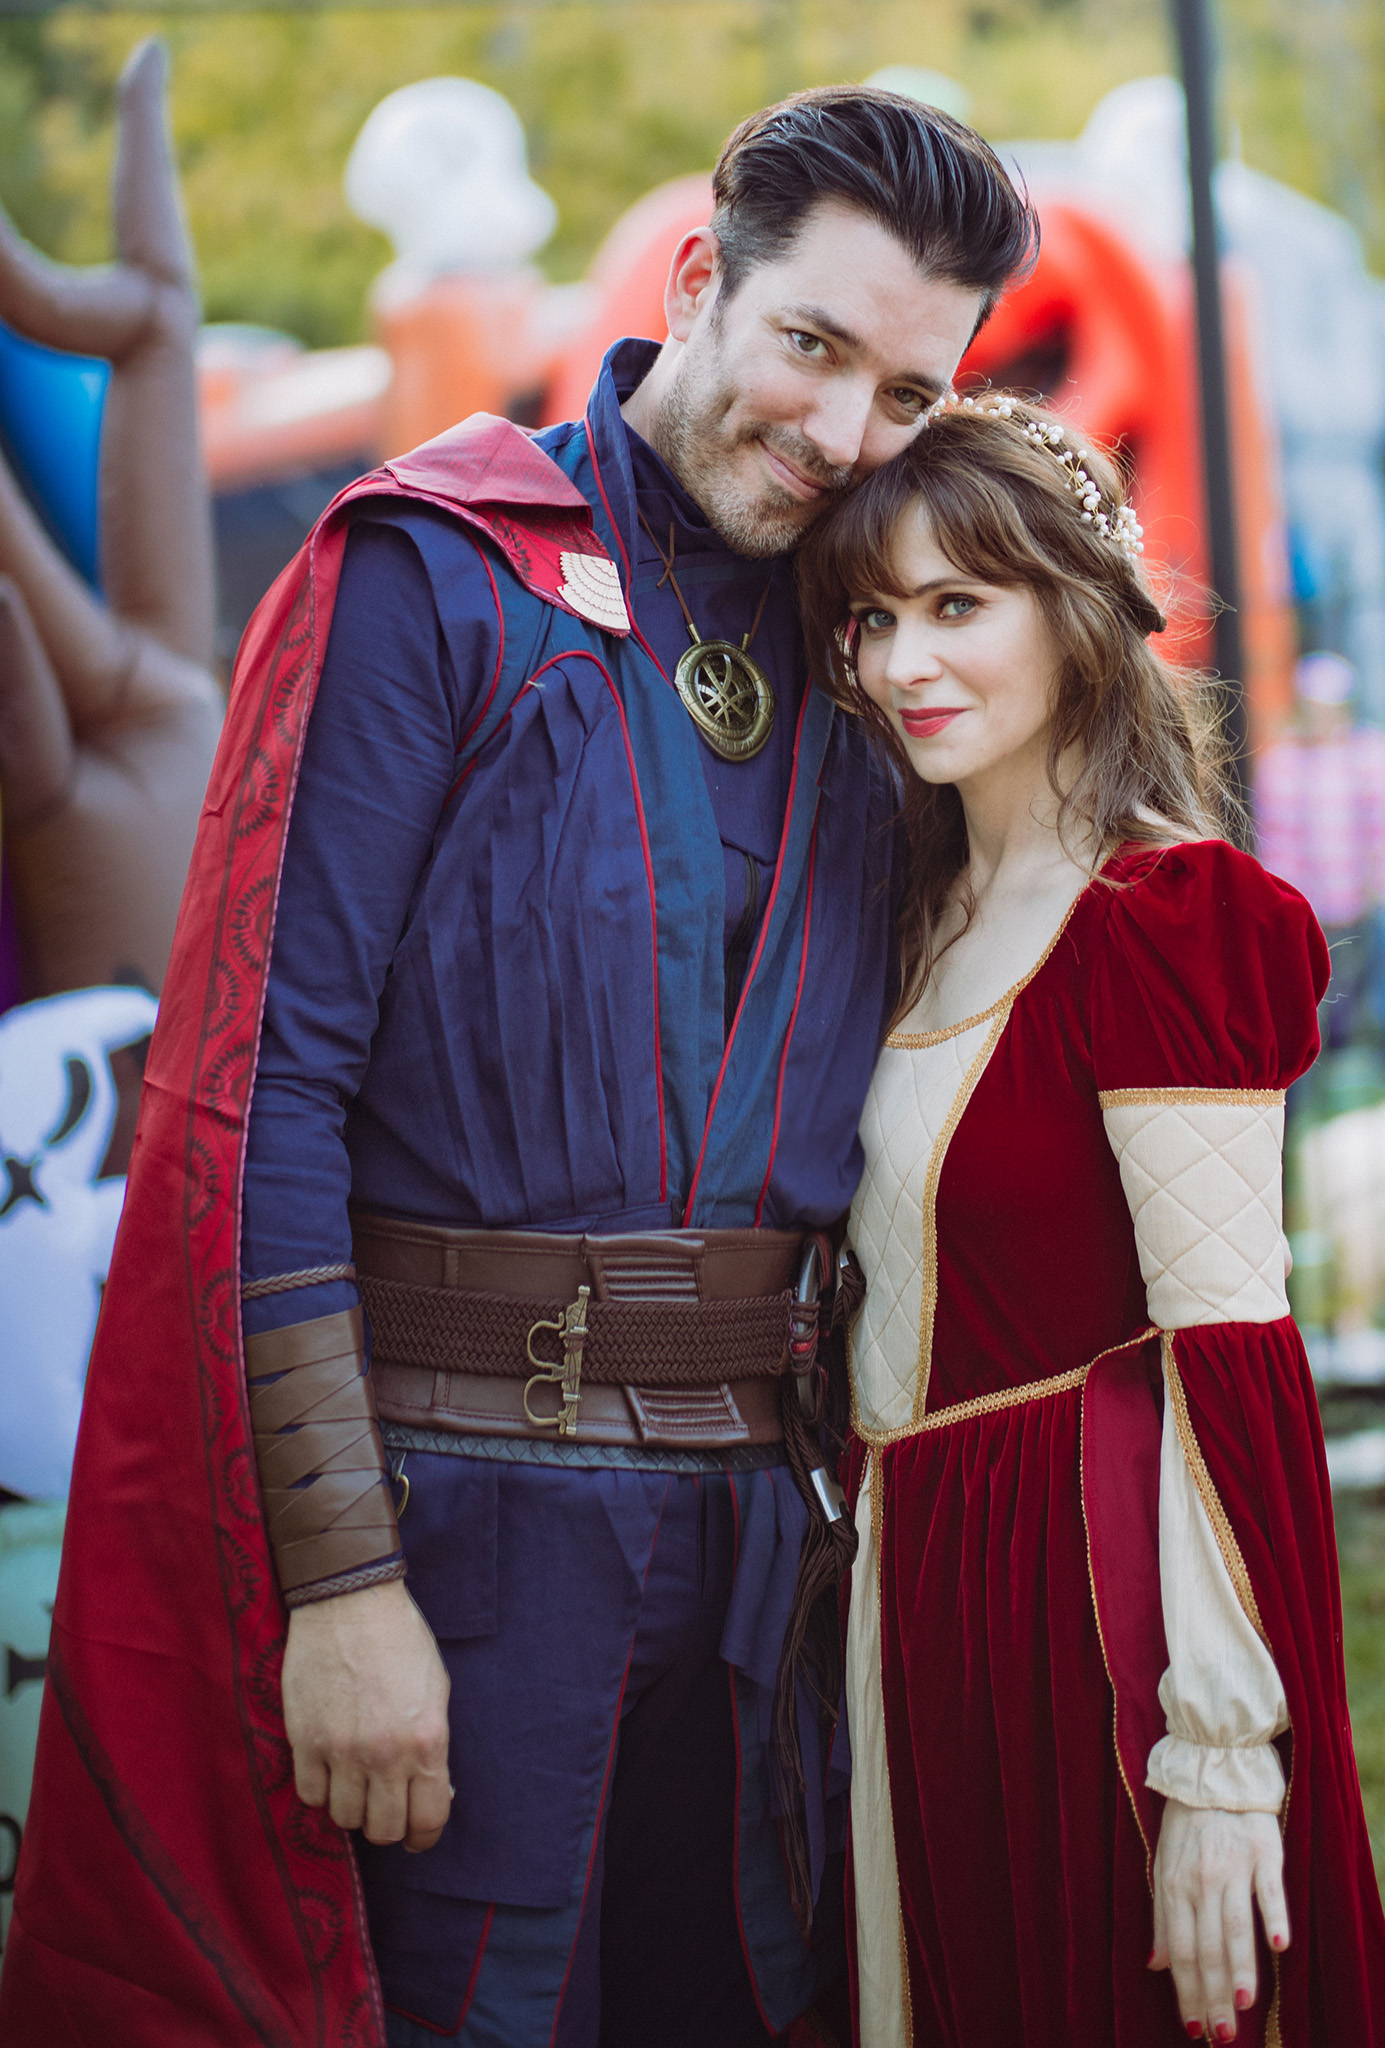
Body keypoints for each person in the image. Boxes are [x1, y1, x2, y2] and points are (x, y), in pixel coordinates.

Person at [0, 91, 1034, 2047]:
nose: (838, 432)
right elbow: (263, 1094)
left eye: (906, 395)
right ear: (698, 278)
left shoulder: (887, 648)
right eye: (812, 347)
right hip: (464, 1531)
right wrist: (340, 1589)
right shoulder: (439, 576)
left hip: (767, 1543)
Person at [797, 393, 1385, 2047]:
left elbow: (1231, 1353)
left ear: (1074, 608)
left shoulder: (1164, 917)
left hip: (1094, 1600)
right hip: (925, 1590)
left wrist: (1222, 1758)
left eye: (956, 605)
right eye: (871, 617)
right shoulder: (909, 910)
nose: (902, 660)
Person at [1253, 651, 1385, 1095]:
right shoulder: (1282, 765)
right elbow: (1279, 851)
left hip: (1372, 910)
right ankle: (1303, 1122)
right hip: (1314, 922)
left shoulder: (1377, 755)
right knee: (1307, 1023)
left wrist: (1379, 890)